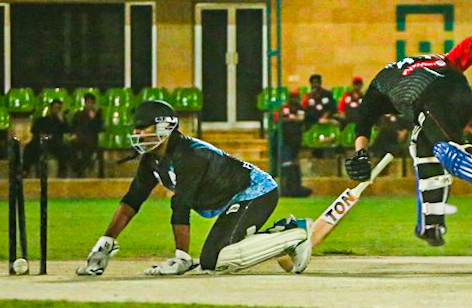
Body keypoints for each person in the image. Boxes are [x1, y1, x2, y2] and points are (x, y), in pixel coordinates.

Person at [345, 34, 472, 247]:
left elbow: (363, 122)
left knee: (446, 151)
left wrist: (361, 154)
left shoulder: (378, 88)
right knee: (422, 142)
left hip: (430, 100)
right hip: (462, 98)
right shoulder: (438, 60)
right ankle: (431, 225)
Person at [76, 99, 313, 276]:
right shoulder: (152, 159)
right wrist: (106, 242)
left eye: (142, 127)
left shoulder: (191, 155)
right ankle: (280, 232)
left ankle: (295, 232)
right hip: (233, 198)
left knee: (217, 259)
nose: (136, 133)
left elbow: (181, 203)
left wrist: (181, 258)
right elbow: (132, 200)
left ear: (163, 127)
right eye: (135, 127)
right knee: (214, 258)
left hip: (255, 191)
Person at [277, 91, 312, 197]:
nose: (294, 100)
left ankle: (295, 187)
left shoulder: (300, 108)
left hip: (296, 140)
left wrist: (292, 118)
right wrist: (291, 118)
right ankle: (287, 188)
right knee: (287, 164)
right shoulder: (285, 107)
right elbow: (280, 118)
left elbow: (301, 118)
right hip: (285, 140)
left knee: (295, 164)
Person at [22, 99, 68, 177]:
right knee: (30, 146)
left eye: (58, 108)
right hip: (41, 141)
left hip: (55, 142)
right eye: (54, 108)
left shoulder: (61, 122)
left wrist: (61, 120)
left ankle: (62, 172)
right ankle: (25, 170)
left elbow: (67, 130)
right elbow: (34, 131)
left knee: (64, 149)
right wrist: (43, 136)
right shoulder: (42, 120)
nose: (56, 110)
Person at [68, 93, 105, 177]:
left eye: (91, 103)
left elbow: (99, 128)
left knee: (89, 149)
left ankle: (80, 168)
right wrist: (73, 134)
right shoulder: (78, 114)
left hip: (91, 139)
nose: (89, 105)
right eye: (88, 102)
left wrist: (93, 118)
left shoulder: (98, 115)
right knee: (71, 147)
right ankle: (77, 167)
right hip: (79, 138)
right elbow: (73, 127)